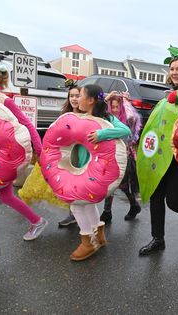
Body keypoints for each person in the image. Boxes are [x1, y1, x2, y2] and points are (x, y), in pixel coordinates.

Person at [137, 45, 178, 256]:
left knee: (173, 200)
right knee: (156, 197)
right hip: (160, 154)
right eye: (172, 69)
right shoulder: (168, 95)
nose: (174, 72)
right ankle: (158, 239)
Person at [68, 84, 131, 261]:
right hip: (80, 167)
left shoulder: (106, 117)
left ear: (90, 100)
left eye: (80, 95)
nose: (77, 99)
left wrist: (102, 134)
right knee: (86, 204)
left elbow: (125, 131)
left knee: (76, 204)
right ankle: (99, 235)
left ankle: (88, 242)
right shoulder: (78, 117)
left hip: (94, 170)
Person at [0, 63, 48, 240]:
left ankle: (38, 222)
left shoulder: (4, 101)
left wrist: (39, 150)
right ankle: (37, 221)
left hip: (6, 158)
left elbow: (27, 124)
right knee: (6, 196)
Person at [100, 91, 142, 222]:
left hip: (125, 156)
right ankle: (107, 212)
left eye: (118, 107)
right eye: (112, 107)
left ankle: (133, 205)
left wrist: (126, 102)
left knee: (123, 185)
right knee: (110, 183)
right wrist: (106, 99)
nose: (115, 109)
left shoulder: (128, 119)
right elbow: (98, 111)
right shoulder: (108, 119)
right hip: (110, 155)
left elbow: (131, 118)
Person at [58, 81, 82, 227]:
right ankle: (72, 214)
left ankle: (81, 216)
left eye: (77, 96)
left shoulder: (86, 114)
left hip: (81, 153)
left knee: (79, 184)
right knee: (69, 183)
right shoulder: (65, 114)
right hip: (67, 152)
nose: (73, 99)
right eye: (71, 96)